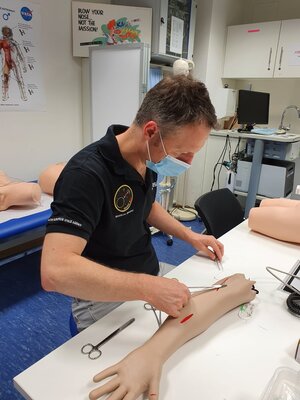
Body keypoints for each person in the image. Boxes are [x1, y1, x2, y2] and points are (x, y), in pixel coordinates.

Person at [41, 75, 224, 332]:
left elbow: (146, 205)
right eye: (181, 152)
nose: (188, 162)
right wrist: (147, 288)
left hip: (147, 274)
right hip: (103, 295)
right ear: (151, 131)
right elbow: (54, 271)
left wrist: (189, 236)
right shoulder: (86, 174)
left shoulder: (148, 157)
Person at [89, 273, 257, 400]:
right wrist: (153, 351)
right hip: (98, 302)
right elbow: (62, 269)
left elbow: (191, 310)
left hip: (146, 272)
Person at [0, 26, 27, 102]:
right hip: (6, 64)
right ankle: (5, 95)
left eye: (8, 32)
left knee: (19, 79)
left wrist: (24, 65)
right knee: (5, 79)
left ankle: (23, 95)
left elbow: (20, 54)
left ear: (10, 32)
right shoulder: (1, 42)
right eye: (5, 32)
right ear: (3, 32)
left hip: (15, 63)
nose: (7, 34)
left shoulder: (14, 42)